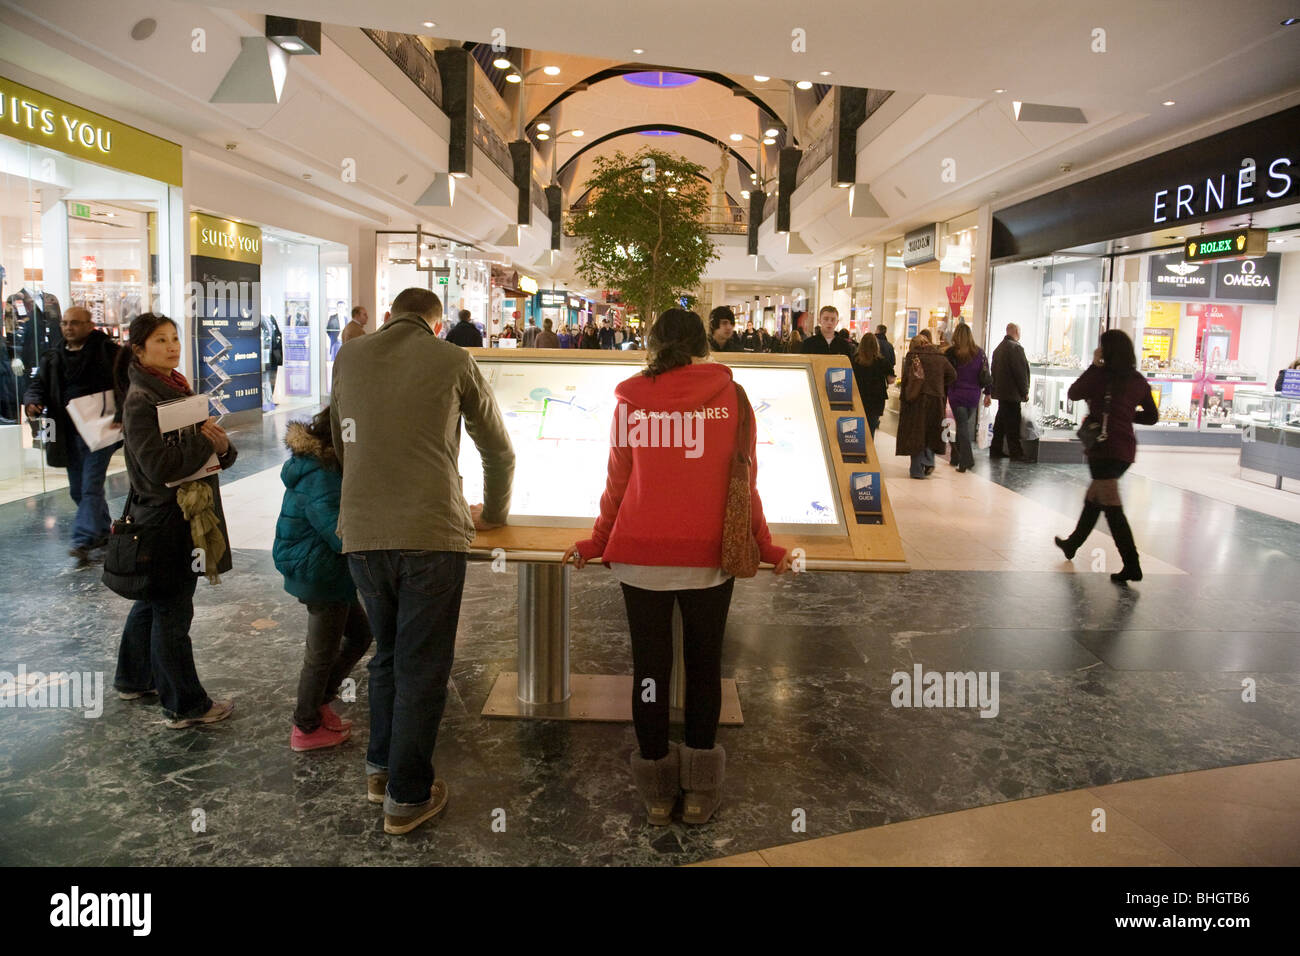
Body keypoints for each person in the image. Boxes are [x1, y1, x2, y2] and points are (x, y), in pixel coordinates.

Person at [562, 308, 791, 826]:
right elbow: (744, 483)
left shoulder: (629, 402)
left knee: (649, 671)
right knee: (705, 668)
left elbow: (617, 483)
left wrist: (598, 541)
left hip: (641, 555)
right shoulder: (733, 398)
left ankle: (657, 792)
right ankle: (700, 792)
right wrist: (766, 546)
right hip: (708, 556)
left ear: (653, 343)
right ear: (703, 344)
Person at [330, 287, 514, 835]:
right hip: (432, 531)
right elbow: (498, 449)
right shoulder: (454, 359)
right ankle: (408, 798)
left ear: (389, 318)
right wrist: (495, 512)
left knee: (387, 653)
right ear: (436, 325)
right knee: (423, 664)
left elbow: (343, 440)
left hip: (362, 532)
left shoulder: (350, 355)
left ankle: (380, 771)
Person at [111, 313, 236, 728]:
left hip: (184, 512)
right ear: (139, 349)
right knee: (172, 611)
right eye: (161, 340)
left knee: (155, 599)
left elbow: (209, 454)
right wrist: (205, 442)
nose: (172, 346)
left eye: (175, 338)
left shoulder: (176, 390)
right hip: (165, 518)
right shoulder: (142, 400)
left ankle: (133, 677)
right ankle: (184, 704)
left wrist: (221, 446)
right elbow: (160, 466)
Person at [273, 407, 374, 752]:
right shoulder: (323, 474)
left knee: (360, 634)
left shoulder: (328, 465)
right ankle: (305, 726)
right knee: (321, 654)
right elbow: (338, 534)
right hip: (320, 573)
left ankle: (319, 703)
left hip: (326, 570)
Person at [1054, 330, 1159, 584]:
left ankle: (1132, 565)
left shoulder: (1100, 377)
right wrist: (1124, 416)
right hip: (1124, 451)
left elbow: (1074, 392)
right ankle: (1073, 544)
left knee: (1112, 507)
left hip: (1104, 450)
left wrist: (1094, 365)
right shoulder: (1137, 381)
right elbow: (1152, 416)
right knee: (1095, 497)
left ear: (1106, 351)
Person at [22, 306, 121, 565]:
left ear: (90, 325)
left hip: (100, 429)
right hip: (67, 432)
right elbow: (38, 386)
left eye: (75, 323)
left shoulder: (108, 353)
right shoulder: (53, 357)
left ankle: (82, 539)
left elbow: (125, 383)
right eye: (65, 323)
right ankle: (102, 533)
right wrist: (32, 401)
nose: (68, 327)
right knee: (78, 490)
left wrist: (122, 416)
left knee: (90, 486)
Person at [896, 333, 955, 478]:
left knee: (916, 434)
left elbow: (906, 380)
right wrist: (939, 384)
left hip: (916, 400)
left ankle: (916, 470)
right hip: (936, 399)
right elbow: (953, 375)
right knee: (931, 432)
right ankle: (929, 461)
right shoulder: (940, 357)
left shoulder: (912, 356)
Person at [944, 323, 992, 473]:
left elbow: (946, 374)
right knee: (963, 426)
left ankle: (967, 460)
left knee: (962, 427)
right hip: (973, 396)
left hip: (956, 394)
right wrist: (988, 393)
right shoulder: (980, 353)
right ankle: (956, 457)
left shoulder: (951, 353)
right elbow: (986, 374)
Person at [990, 322, 1030, 460]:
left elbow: (993, 371)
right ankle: (1016, 452)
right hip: (1012, 394)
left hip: (1001, 392)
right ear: (1017, 332)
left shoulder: (998, 348)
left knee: (1001, 421)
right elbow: (1020, 372)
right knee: (1013, 423)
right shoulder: (1016, 348)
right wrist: (1025, 390)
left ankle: (996, 448)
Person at [850, 332, 894, 436]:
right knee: (870, 429)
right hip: (876, 400)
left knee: (857, 429)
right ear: (876, 345)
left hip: (858, 397)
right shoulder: (882, 361)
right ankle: (869, 448)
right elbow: (891, 379)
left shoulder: (854, 360)